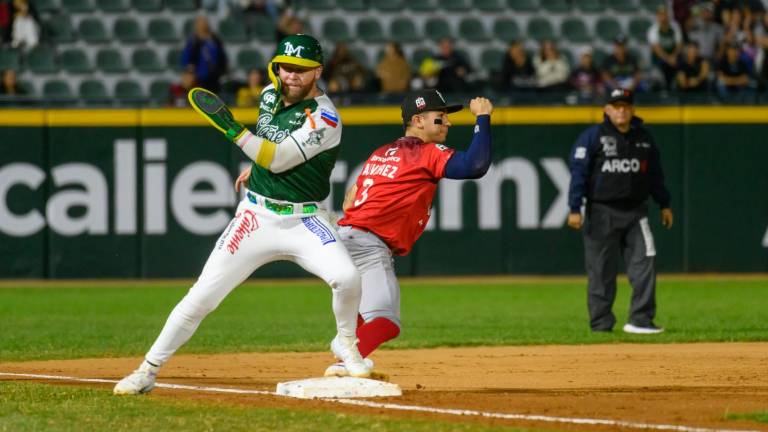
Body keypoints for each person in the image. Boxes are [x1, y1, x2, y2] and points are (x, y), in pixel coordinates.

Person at [113, 34, 370, 396]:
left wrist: (232, 129)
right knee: (202, 296)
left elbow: (279, 158)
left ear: (318, 72)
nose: (292, 75)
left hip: (305, 219)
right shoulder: (268, 94)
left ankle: (346, 343)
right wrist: (257, 167)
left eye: (301, 70)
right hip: (256, 217)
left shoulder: (326, 117)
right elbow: (270, 147)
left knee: (347, 278)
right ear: (276, 67)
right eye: (285, 67)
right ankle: (147, 370)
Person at [235, 89, 492, 376]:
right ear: (418, 120)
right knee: (386, 322)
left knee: (360, 312)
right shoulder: (425, 153)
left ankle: (347, 355)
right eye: (440, 117)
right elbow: (475, 164)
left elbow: (350, 194)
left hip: (343, 238)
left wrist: (264, 175)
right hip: (367, 244)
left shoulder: (382, 152)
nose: (448, 123)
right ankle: (345, 359)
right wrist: (482, 118)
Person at [567, 88, 673, 334]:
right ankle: (601, 324)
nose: (622, 110)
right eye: (616, 106)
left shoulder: (643, 138)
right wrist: (575, 207)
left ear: (633, 109)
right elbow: (578, 174)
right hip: (601, 210)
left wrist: (664, 204)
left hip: (637, 211)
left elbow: (655, 176)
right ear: (607, 109)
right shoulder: (593, 137)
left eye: (626, 105)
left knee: (645, 263)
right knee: (601, 271)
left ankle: (640, 320)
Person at [181, 15, 228, 93]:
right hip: (198, 76)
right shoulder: (193, 40)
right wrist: (189, 71)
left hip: (214, 76)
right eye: (200, 23)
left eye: (204, 23)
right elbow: (187, 59)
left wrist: (223, 68)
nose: (202, 25)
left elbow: (221, 55)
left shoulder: (214, 39)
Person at [647, 6, 684, 90]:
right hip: (659, 61)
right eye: (660, 15)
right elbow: (657, 49)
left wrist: (673, 57)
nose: (663, 17)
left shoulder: (675, 27)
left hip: (674, 59)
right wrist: (669, 59)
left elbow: (679, 45)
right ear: (657, 16)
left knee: (680, 78)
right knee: (657, 80)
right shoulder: (653, 30)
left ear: (668, 15)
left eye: (664, 14)